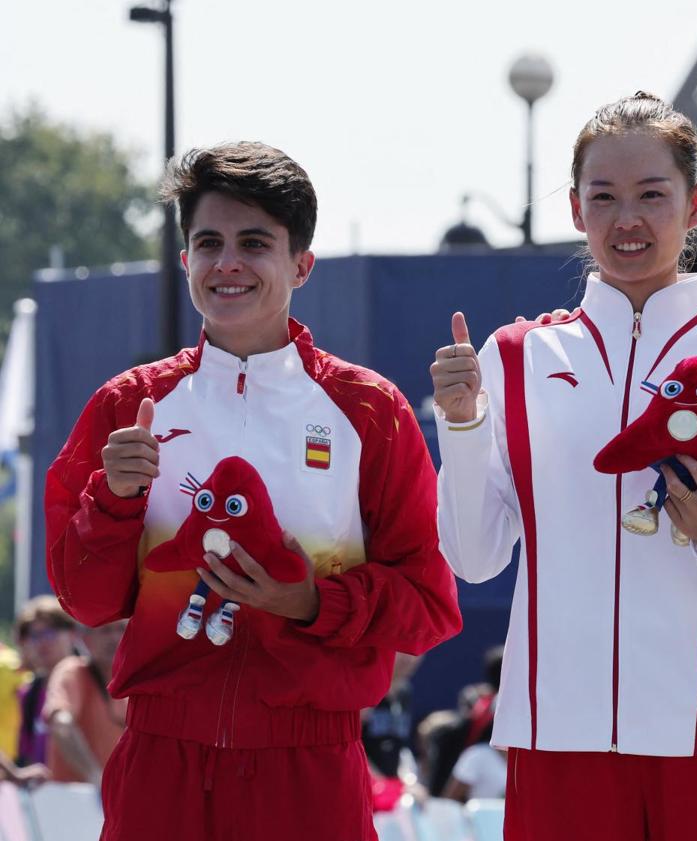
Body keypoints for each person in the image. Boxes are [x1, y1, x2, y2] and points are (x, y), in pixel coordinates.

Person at [45, 141, 462, 841]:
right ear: (185, 262)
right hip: (160, 761)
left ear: (301, 263)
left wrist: (310, 603)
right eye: (207, 242)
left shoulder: (367, 410)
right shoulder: (129, 403)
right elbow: (83, 599)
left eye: (254, 243)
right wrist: (113, 500)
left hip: (309, 766)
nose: (227, 263)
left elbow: (427, 606)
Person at [432, 91, 697, 841]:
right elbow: (473, 559)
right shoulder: (514, 357)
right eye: (603, 197)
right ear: (576, 210)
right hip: (555, 733)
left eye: (651, 195)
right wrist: (463, 424)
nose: (625, 219)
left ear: (694, 203)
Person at [43, 620, 127, 784]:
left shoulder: (132, 683)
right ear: (85, 638)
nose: (114, 637)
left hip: (113, 800)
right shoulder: (72, 671)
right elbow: (61, 725)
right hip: (73, 800)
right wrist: (95, 776)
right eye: (105, 630)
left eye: (122, 629)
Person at [14, 594, 77, 769]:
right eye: (34, 635)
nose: (42, 642)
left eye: (50, 632)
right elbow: (28, 758)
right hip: (47, 795)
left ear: (72, 634)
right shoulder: (29, 694)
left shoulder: (95, 682)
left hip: (94, 792)